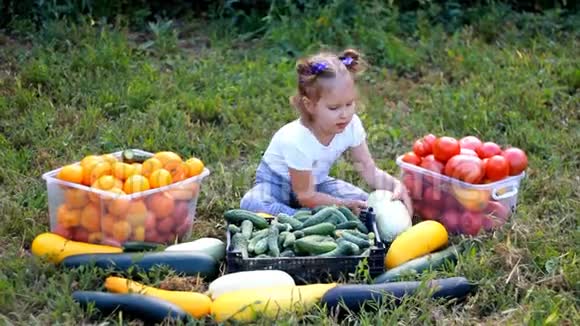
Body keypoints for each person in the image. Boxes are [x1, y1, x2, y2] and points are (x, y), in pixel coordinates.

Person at [240, 49, 412, 217]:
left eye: (349, 104)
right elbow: (305, 197)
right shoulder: (296, 139)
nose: (344, 114)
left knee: (364, 201)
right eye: (334, 108)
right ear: (310, 105)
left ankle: (311, 217)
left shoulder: (351, 125)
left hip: (316, 184)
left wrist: (395, 185)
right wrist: (342, 205)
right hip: (276, 185)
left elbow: (369, 170)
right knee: (252, 203)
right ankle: (303, 220)